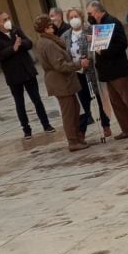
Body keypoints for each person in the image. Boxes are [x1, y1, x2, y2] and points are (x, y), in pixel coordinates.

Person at [87, 0, 128, 140]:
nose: (89, 16)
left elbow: (122, 44)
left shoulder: (112, 22)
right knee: (116, 102)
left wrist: (104, 51)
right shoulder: (97, 25)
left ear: (97, 11)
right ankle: (127, 129)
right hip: (106, 71)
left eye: (90, 13)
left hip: (118, 69)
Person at [0, 11, 55, 139]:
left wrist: (21, 43)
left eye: (8, 18)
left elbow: (29, 43)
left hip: (26, 70)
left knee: (37, 99)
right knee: (20, 103)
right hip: (13, 75)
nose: (7, 21)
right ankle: (26, 129)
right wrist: (12, 48)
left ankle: (46, 124)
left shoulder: (15, 29)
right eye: (4, 19)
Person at [34, 14, 89, 153]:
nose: (52, 26)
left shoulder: (48, 41)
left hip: (64, 82)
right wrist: (78, 64)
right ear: (45, 28)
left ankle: (77, 137)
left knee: (75, 109)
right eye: (49, 24)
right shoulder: (48, 44)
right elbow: (60, 65)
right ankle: (73, 141)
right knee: (69, 113)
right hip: (61, 82)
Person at [64, 7, 113, 140]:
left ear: (81, 17)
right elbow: (66, 54)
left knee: (99, 96)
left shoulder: (91, 29)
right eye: (71, 17)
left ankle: (105, 124)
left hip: (93, 70)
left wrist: (89, 58)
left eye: (76, 16)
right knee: (83, 100)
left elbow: (99, 47)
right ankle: (82, 129)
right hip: (78, 72)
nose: (74, 19)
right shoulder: (66, 36)